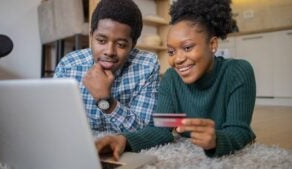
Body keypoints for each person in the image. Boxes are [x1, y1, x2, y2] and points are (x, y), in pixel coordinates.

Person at [96, 0, 256, 159]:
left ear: (212, 44)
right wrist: (123, 139)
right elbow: (160, 129)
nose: (177, 59)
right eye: (171, 52)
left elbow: (239, 130)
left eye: (187, 48)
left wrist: (217, 139)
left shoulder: (237, 72)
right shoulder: (172, 79)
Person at [54, 0, 160, 133]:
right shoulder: (69, 66)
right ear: (91, 35)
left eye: (121, 44)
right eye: (101, 41)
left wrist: (106, 101)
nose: (109, 51)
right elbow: (56, 121)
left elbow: (145, 131)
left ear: (132, 45)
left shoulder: (147, 66)